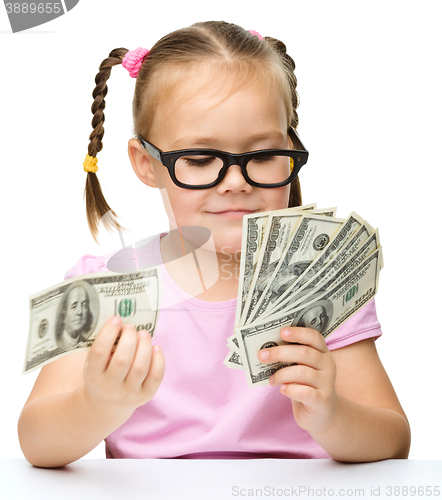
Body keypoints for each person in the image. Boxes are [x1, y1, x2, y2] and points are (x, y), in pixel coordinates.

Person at [17, 21, 410, 467]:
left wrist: (333, 416)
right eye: (201, 159)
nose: (237, 183)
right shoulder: (105, 284)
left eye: (262, 156)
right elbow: (37, 445)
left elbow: (393, 441)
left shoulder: (324, 283)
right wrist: (96, 403)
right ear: (147, 164)